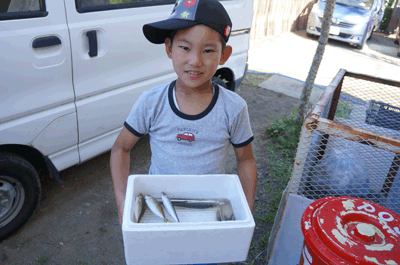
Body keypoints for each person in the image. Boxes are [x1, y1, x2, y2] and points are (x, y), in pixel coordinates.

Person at [110, 0, 257, 229]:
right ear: (169, 48)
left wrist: (245, 213)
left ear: (224, 55)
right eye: (185, 47)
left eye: (208, 50)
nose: (195, 61)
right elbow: (121, 148)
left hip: (208, 214)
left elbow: (246, 159)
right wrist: (122, 202)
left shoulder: (234, 108)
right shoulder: (151, 102)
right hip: (158, 210)